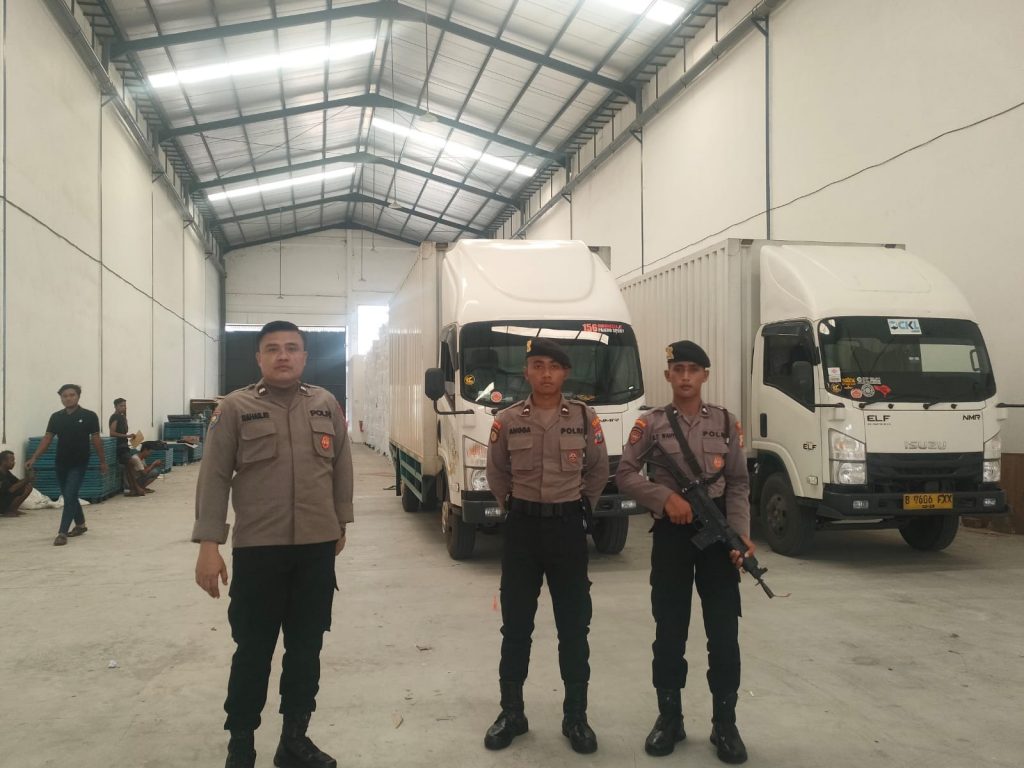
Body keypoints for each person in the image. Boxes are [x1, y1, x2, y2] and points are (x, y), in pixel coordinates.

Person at [193, 320, 354, 768]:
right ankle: (241, 742)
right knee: (254, 649)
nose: (283, 355)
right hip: (258, 549)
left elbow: (342, 465)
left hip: (315, 549)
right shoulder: (235, 408)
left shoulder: (325, 403)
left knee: (306, 647)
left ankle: (294, 740)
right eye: (273, 348)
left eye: (292, 348)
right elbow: (214, 476)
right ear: (259, 358)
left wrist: (341, 521)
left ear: (304, 356)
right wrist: (209, 543)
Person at [616, 340, 753, 764]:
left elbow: (738, 483)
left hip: (718, 538)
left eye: (694, 369)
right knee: (670, 630)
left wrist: (740, 536)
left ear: (705, 375)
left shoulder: (725, 422)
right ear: (668, 376)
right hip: (672, 538)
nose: (686, 376)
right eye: (679, 369)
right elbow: (624, 473)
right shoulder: (651, 424)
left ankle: (724, 724)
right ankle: (669, 719)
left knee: (723, 634)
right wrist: (664, 498)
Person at [483, 338, 609, 754]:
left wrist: (579, 508)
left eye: (553, 366)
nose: (546, 373)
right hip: (522, 531)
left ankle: (576, 717)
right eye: (537, 365)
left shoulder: (585, 418)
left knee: (574, 627)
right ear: (526, 372)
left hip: (567, 530)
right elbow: (497, 472)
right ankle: (512, 713)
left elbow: (598, 470)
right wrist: (514, 507)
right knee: (516, 626)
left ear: (566, 373)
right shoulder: (506, 420)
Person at [26, 384, 108, 546]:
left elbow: (96, 439)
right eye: (65, 396)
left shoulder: (89, 416)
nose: (68, 398)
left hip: (80, 462)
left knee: (70, 494)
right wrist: (34, 457)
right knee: (69, 495)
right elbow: (47, 439)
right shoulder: (56, 417)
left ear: (78, 396)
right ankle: (81, 525)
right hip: (61, 462)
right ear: (61, 398)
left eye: (72, 395)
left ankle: (62, 532)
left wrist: (103, 461)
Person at [0, 450, 34, 517]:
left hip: (3, 499)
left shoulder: (7, 473)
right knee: (16, 488)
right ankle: (8, 511)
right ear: (4, 461)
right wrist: (27, 479)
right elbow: (11, 489)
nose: (14, 463)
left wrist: (29, 472)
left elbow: (18, 483)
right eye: (12, 460)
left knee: (27, 487)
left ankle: (13, 509)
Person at [109, 398, 137, 466]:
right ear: (115, 406)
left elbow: (126, 430)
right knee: (132, 462)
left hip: (124, 445)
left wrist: (125, 419)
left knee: (130, 464)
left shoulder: (122, 417)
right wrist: (127, 436)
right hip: (119, 447)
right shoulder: (115, 417)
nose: (124, 407)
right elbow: (112, 433)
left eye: (124, 406)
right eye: (121, 406)